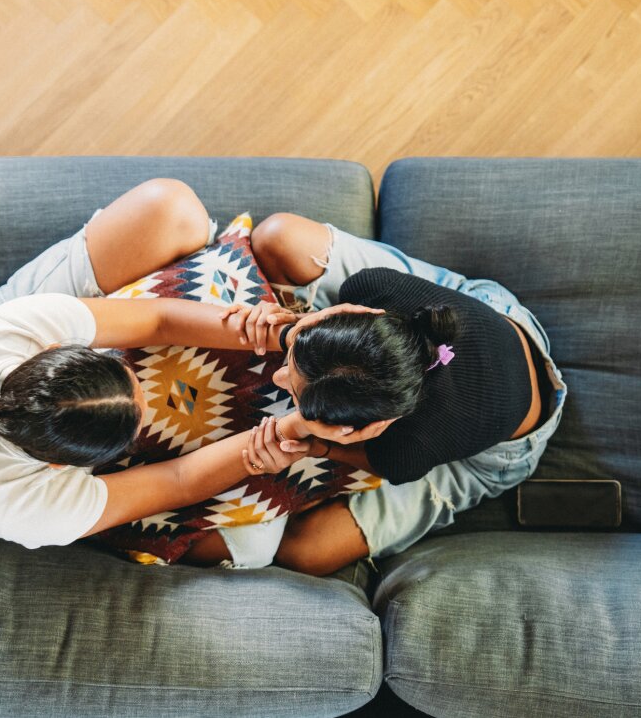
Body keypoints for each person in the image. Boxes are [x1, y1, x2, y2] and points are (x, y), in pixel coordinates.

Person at [0, 179, 306, 552]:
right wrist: (275, 437)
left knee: (170, 208)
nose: (148, 394)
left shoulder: (12, 331)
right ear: (61, 466)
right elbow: (177, 481)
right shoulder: (37, 509)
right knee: (256, 549)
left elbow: (158, 319)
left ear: (54, 348)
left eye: (126, 369)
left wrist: (279, 335)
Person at [185, 212, 567, 575]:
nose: (278, 376)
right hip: (480, 313)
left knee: (309, 552)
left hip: (499, 451)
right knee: (281, 236)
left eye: (294, 392)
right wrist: (297, 327)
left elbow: (361, 453)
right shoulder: (375, 287)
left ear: (367, 428)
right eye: (291, 362)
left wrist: (322, 448)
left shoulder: (403, 452)